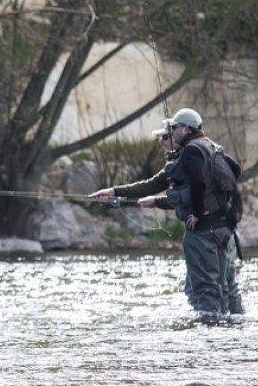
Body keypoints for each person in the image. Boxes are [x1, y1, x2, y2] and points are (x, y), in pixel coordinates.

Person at [89, 110, 244, 321]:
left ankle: (210, 339)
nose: (166, 137)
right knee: (227, 287)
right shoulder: (211, 147)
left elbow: (196, 185)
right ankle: (235, 329)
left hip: (203, 232)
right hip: (224, 227)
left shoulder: (190, 152)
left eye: (171, 131)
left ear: (186, 129)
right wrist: (120, 193)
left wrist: (198, 213)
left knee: (203, 289)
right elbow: (233, 173)